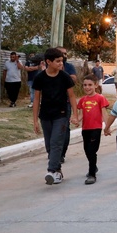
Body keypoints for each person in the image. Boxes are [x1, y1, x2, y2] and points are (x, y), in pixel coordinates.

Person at [32, 48, 78, 185]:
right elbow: (36, 100)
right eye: (57, 61)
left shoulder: (64, 77)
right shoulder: (40, 78)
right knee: (49, 145)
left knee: (56, 142)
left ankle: (51, 171)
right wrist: (35, 120)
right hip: (45, 115)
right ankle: (58, 171)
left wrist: (75, 114)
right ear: (48, 62)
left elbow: (71, 96)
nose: (60, 63)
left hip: (61, 114)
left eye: (61, 61)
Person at [77, 74, 110, 185]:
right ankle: (94, 166)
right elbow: (81, 115)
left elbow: (104, 114)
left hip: (96, 128)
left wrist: (107, 127)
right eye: (85, 85)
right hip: (85, 128)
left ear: (96, 85)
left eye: (90, 85)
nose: (87, 87)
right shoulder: (82, 100)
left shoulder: (100, 98)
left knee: (92, 151)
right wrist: (75, 120)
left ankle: (92, 174)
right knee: (87, 150)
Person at [57, 46, 77, 164]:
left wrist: (62, 75)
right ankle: (53, 152)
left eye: (65, 54)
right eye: (61, 53)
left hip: (66, 102)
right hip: (51, 103)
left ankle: (61, 154)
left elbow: (74, 79)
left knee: (65, 128)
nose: (64, 56)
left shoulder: (69, 67)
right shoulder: (49, 67)